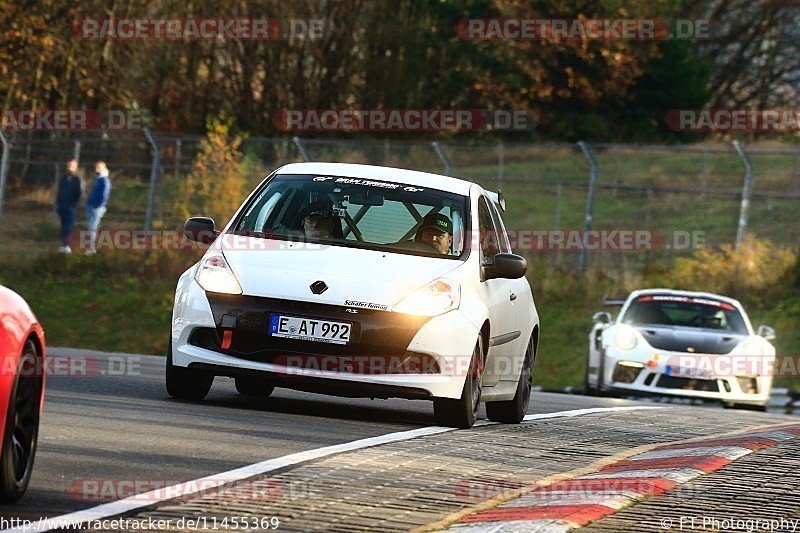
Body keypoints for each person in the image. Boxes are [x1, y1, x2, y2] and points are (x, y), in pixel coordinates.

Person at [54, 159, 84, 253]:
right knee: (63, 226)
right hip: (61, 205)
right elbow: (59, 192)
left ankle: (68, 245)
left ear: (75, 168)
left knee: (69, 226)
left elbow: (79, 194)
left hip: (70, 207)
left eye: (71, 166)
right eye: (68, 166)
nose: (69, 168)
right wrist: (57, 204)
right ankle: (63, 244)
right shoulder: (63, 178)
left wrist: (74, 205)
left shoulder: (77, 180)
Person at [85, 161, 111, 254]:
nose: (97, 169)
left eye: (99, 167)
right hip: (90, 206)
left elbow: (105, 195)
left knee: (93, 227)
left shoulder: (104, 180)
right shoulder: (98, 179)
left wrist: (98, 206)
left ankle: (91, 248)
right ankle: (90, 247)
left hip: (96, 207)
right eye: (96, 167)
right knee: (91, 226)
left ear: (104, 168)